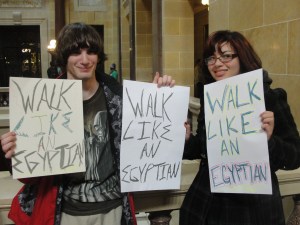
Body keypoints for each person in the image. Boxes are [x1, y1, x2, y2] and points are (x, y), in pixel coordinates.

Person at [0, 22, 175, 225]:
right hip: (64, 212)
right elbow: (31, 176)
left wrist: (160, 103)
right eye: (76, 52)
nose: (85, 60)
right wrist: (15, 153)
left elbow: (150, 147)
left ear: (98, 56)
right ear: (64, 57)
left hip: (112, 209)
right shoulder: (42, 101)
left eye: (91, 52)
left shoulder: (119, 98)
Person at [180, 30, 300, 225]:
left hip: (251, 209)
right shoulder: (211, 99)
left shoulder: (269, 97)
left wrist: (269, 141)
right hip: (205, 205)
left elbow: (294, 156)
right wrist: (187, 140)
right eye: (211, 58)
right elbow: (205, 150)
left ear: (242, 58)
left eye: (226, 56)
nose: (217, 64)